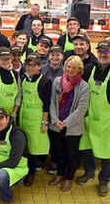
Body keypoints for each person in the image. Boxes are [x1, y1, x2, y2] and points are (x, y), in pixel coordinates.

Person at [48, 55, 89, 191]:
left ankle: (69, 178)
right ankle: (60, 174)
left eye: (74, 68)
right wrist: (55, 120)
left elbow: (81, 109)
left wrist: (66, 123)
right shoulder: (57, 81)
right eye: (69, 67)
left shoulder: (84, 86)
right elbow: (52, 103)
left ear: (79, 70)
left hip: (73, 127)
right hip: (57, 125)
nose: (71, 70)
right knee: (59, 152)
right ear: (65, 67)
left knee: (72, 154)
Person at [78, 40, 110, 196]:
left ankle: (104, 180)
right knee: (87, 148)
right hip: (89, 117)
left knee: (107, 153)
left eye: (106, 51)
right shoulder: (89, 69)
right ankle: (89, 172)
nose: (103, 54)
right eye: (101, 51)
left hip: (107, 121)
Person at [19, 52, 51, 186]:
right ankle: (22, 171)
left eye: (33, 65)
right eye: (28, 65)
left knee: (33, 148)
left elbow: (46, 105)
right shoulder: (24, 78)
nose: (30, 68)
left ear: (39, 66)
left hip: (37, 118)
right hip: (24, 116)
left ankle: (31, 173)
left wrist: (44, 123)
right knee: (24, 147)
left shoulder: (44, 81)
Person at [41, 45, 64, 174]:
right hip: (43, 107)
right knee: (43, 134)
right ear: (48, 56)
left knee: (56, 137)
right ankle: (42, 158)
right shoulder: (42, 69)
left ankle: (54, 161)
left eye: (58, 55)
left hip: (59, 109)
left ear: (62, 56)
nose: (55, 57)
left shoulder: (66, 71)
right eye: (52, 54)